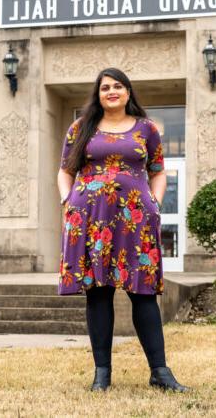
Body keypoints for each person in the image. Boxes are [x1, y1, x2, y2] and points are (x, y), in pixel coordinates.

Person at [56, 67, 189, 393]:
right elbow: (65, 171)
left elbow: (158, 172)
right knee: (98, 294)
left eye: (118, 86)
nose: (111, 91)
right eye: (105, 88)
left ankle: (160, 372)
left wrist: (155, 204)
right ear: (98, 95)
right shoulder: (80, 128)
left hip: (135, 221)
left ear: (128, 92)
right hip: (90, 219)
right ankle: (102, 374)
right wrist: (67, 201)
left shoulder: (147, 129)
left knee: (143, 294)